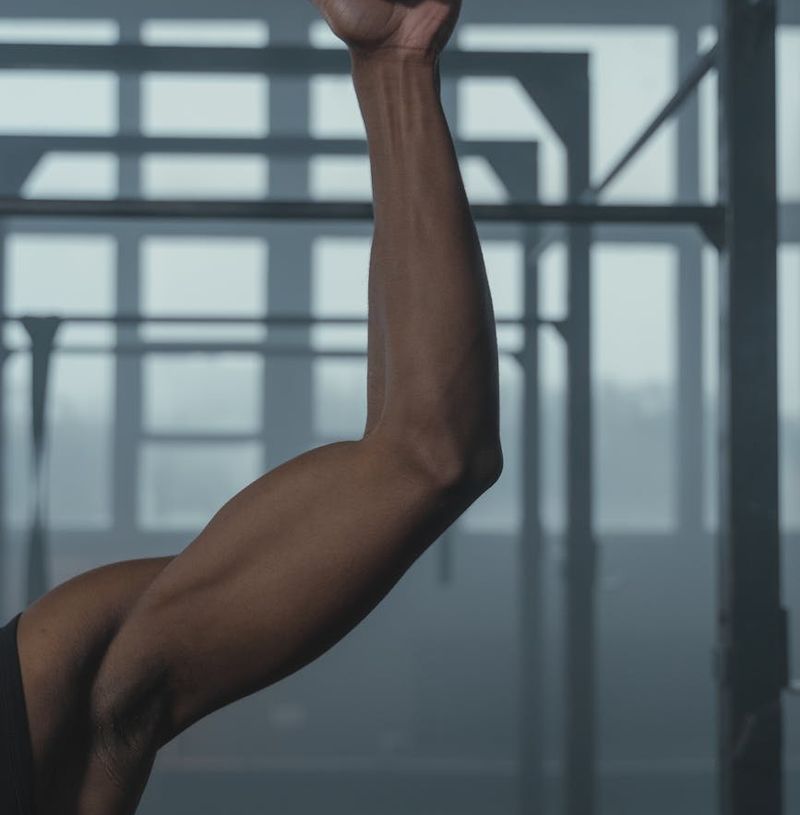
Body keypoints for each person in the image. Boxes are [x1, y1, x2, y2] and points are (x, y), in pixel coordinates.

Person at [0, 1, 503, 812]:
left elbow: (428, 456)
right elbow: (427, 456)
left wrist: (396, 67)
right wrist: (393, 70)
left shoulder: (50, 698)